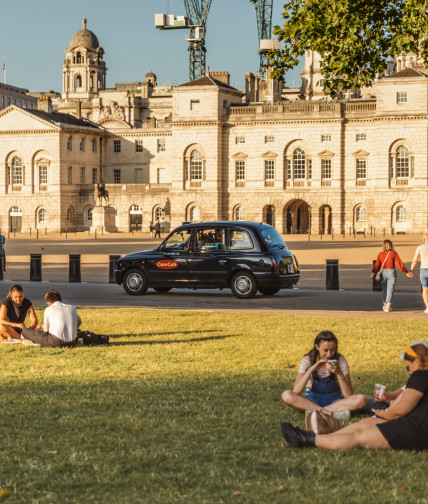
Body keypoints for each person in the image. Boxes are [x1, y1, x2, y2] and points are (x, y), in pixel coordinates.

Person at [281, 342, 428, 451]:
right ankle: (326, 436)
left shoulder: (421, 375)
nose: (409, 372)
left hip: (418, 429)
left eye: (407, 367)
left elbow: (399, 411)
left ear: (417, 361)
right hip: (415, 423)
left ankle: (307, 439)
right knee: (363, 424)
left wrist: (384, 413)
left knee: (359, 437)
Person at [282, 331, 366, 421]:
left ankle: (315, 412)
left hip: (335, 402)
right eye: (325, 350)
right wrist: (311, 370)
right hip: (312, 401)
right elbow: (296, 391)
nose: (329, 354)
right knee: (286, 395)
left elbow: (348, 394)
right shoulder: (308, 359)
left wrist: (339, 373)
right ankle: (329, 413)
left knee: (362, 399)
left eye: (332, 350)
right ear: (317, 347)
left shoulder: (340, 360)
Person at [371, 239, 412, 312]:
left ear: (383, 246)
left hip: (383, 272)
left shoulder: (380, 254)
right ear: (391, 245)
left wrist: (373, 273)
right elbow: (399, 264)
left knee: (384, 289)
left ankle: (385, 304)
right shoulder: (394, 253)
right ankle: (388, 304)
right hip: (391, 272)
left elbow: (377, 265)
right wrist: (406, 272)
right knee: (390, 290)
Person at [408, 232, 428, 313]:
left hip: (423, 270)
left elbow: (415, 260)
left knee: (425, 290)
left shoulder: (420, 247)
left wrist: (411, 270)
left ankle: (427, 307)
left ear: (423, 239)